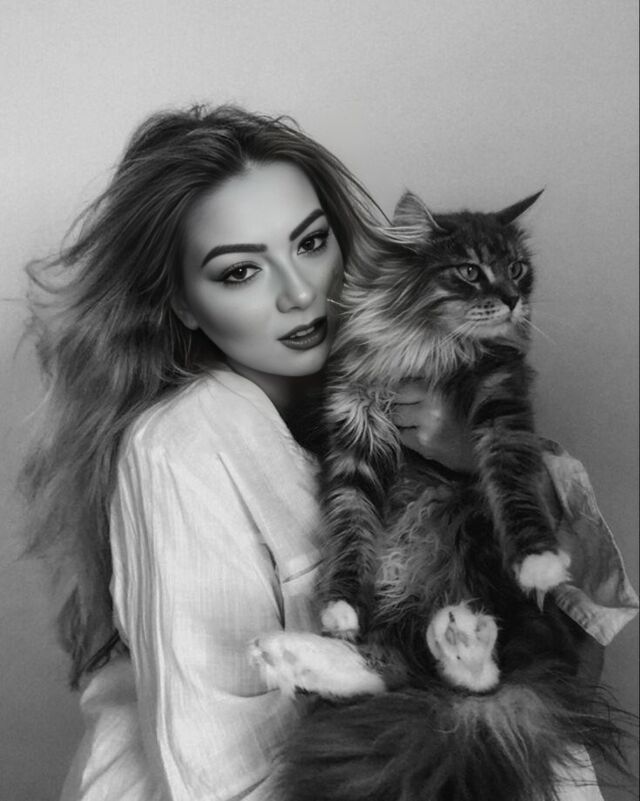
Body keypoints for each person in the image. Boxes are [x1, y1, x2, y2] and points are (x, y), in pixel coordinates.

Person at [21, 105, 637, 801]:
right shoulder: (182, 445)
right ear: (183, 303)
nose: (298, 292)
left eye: (311, 243)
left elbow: (574, 660)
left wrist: (482, 461)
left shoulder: (408, 376)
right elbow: (218, 776)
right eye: (239, 272)